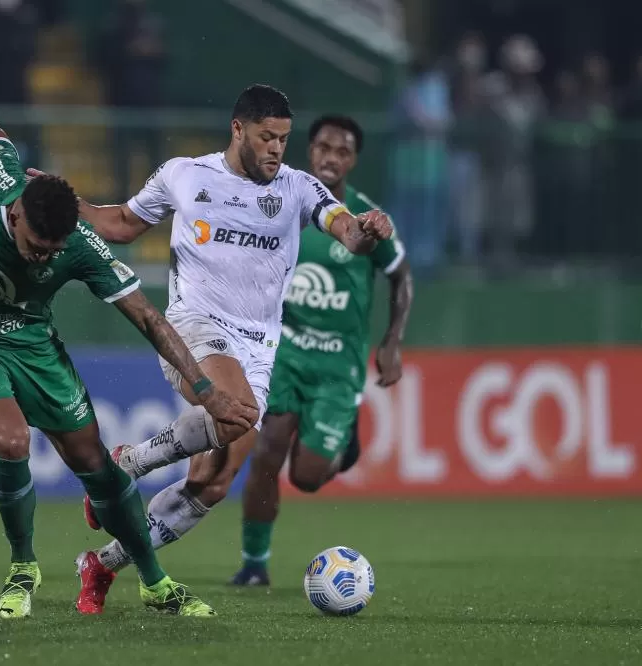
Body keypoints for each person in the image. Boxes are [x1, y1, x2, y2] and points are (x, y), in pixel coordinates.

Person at [0, 54, 259, 619]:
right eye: (36, 248)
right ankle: (23, 567)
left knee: (97, 466)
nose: (44, 257)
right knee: (11, 441)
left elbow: (148, 316)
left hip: (32, 343)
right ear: (18, 213)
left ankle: (154, 581)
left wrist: (203, 389)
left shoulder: (78, 244)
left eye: (54, 252)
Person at [30, 85, 393, 614]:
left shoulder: (298, 187)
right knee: (237, 415)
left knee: (212, 483)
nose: (277, 149)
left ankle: (103, 563)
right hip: (193, 326)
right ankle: (128, 465)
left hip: (259, 346)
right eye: (267, 137)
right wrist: (71, 204)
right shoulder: (185, 174)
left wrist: (367, 229)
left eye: (284, 139)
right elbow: (123, 224)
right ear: (238, 130)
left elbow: (347, 232)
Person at [231, 115, 413, 586]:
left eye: (343, 151)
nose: (331, 158)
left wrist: (392, 341)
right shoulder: (281, 204)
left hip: (338, 364)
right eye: (323, 148)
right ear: (309, 151)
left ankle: (341, 443)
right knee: (267, 449)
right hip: (285, 352)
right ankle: (254, 564)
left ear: (353, 160)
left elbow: (401, 276)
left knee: (308, 476)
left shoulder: (364, 219)